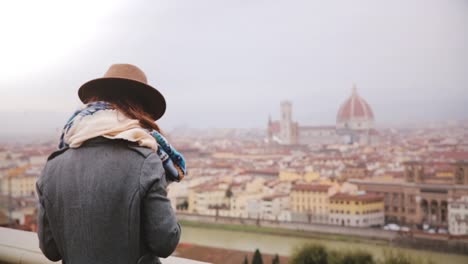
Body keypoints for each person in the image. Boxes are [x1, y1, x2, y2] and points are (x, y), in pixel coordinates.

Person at [36, 64, 185, 264]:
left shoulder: (53, 167)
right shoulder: (146, 162)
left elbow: (51, 250)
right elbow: (165, 242)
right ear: (139, 111)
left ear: (94, 105)